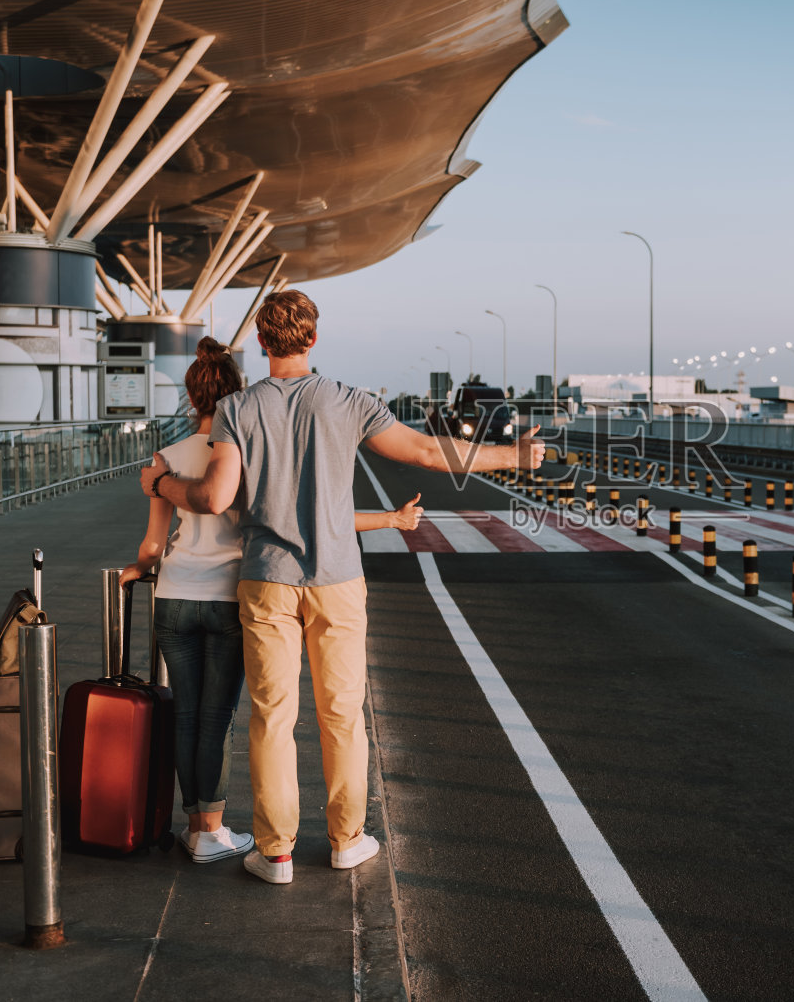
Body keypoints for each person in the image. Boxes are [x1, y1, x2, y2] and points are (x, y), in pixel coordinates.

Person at [140, 289, 543, 884]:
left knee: (273, 717)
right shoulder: (350, 401)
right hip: (337, 580)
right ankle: (346, 840)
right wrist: (515, 456)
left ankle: (275, 853)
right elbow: (430, 451)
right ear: (314, 338)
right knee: (343, 714)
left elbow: (214, 498)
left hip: (266, 580)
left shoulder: (238, 409)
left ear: (260, 341)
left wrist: (163, 487)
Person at [123, 335, 427, 864]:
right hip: (236, 593)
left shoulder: (168, 456)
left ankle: (214, 833)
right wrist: (392, 519)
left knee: (198, 715)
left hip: (175, 594)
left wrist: (141, 564)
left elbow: (153, 542)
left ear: (190, 396)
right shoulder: (240, 446)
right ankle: (316, 837)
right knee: (254, 716)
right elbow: (302, 515)